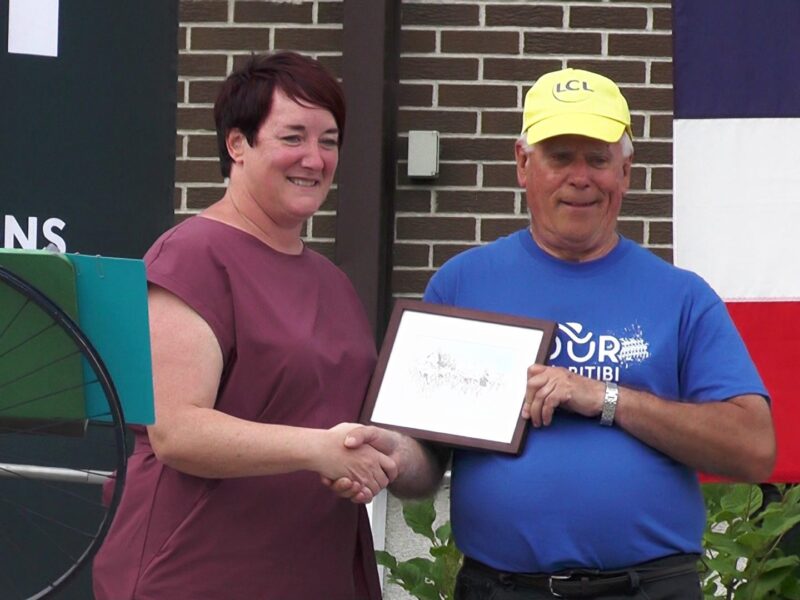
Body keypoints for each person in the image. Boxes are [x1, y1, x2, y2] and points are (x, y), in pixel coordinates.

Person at [329, 68, 776, 599]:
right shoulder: (462, 283)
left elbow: (753, 448)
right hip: (503, 588)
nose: (580, 177)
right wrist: (391, 457)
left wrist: (602, 397)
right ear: (523, 165)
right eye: (561, 156)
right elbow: (428, 464)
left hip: (650, 588)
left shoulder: (681, 296)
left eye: (598, 158)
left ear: (626, 171)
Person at [93, 51, 396, 600]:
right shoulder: (192, 257)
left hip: (314, 571)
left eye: (328, 140)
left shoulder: (334, 283)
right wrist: (317, 450)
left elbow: (343, 427)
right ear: (237, 144)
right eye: (293, 137)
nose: (314, 158)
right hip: (200, 572)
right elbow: (178, 431)